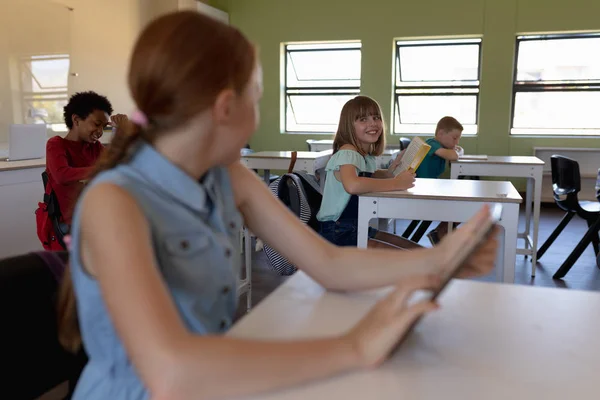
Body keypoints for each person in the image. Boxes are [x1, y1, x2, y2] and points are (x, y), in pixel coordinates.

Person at [57, 11, 498, 400]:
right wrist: (353, 347)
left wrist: (441, 259)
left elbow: (327, 262)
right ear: (227, 108)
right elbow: (173, 372)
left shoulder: (224, 174)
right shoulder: (113, 202)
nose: (260, 111)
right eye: (259, 97)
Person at [317, 95, 419, 249]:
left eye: (376, 117)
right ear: (348, 126)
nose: (373, 123)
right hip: (337, 232)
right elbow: (353, 185)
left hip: (353, 227)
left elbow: (370, 175)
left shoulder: (364, 156)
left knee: (412, 249)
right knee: (409, 258)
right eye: (363, 119)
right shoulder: (348, 153)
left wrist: (392, 170)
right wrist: (395, 183)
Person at [44, 91, 129, 225]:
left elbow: (117, 163)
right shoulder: (56, 144)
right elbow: (62, 175)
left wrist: (122, 132)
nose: (100, 131)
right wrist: (102, 169)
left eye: (104, 126)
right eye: (96, 124)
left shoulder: (95, 146)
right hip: (75, 221)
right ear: (76, 120)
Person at [415, 116, 464, 245]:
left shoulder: (440, 146)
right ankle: (440, 233)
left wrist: (456, 150)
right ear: (441, 133)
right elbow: (453, 156)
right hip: (422, 189)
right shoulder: (432, 144)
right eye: (454, 138)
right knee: (463, 204)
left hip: (430, 187)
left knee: (463, 202)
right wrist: (458, 151)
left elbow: (453, 154)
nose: (456, 142)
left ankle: (440, 232)